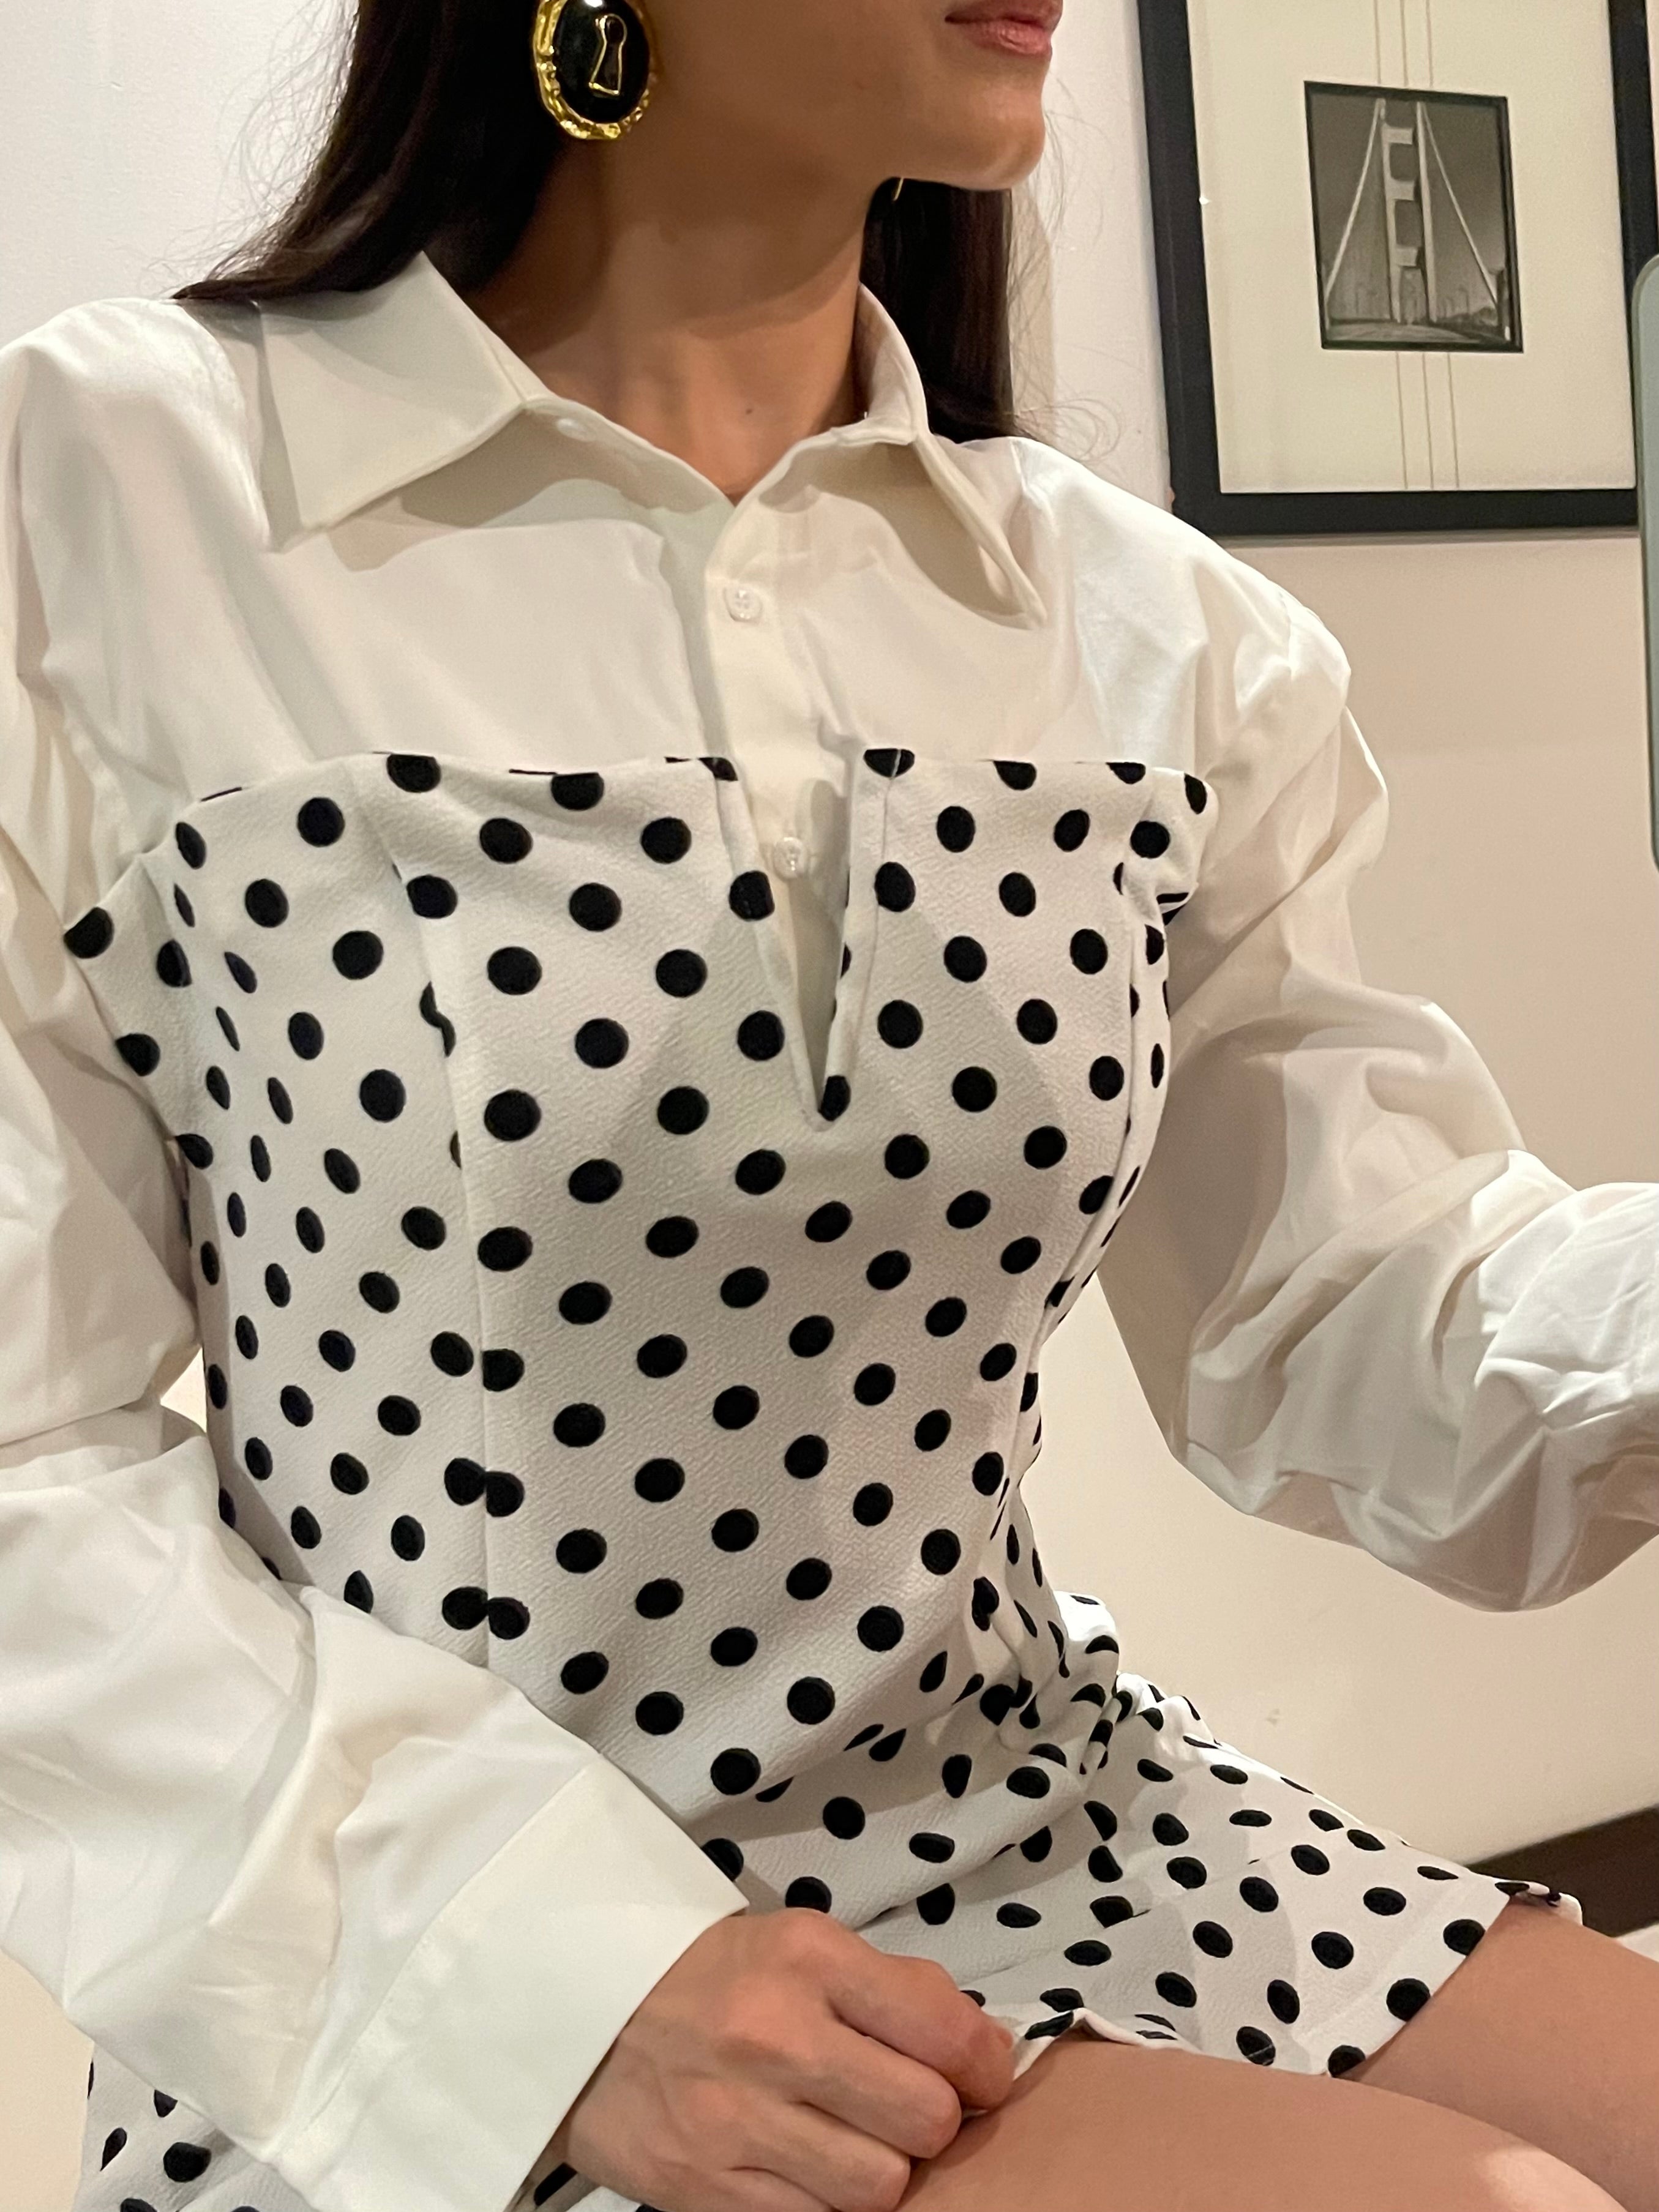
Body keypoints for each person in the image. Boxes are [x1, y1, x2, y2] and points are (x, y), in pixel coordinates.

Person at [2, 2, 1657, 2210]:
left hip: (1049, 1809)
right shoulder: (109, 500)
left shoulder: (1152, 633)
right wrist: (548, 1984)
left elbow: (1349, 1303)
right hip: (426, 1933)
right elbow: (27, 1458)